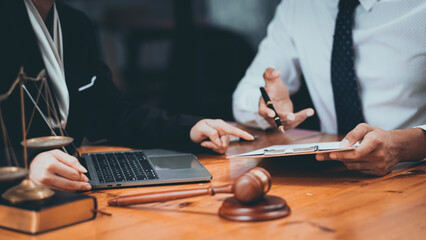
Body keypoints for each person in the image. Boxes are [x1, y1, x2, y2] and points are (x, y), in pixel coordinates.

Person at [0, 0, 253, 191]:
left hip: (74, 187)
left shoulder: (74, 24)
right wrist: (25, 169)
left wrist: (189, 128)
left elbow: (113, 113)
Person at [233, 0, 426, 176]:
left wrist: (403, 146)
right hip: (331, 177)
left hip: (412, 174)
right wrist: (267, 108)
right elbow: (245, 95)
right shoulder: (298, 7)